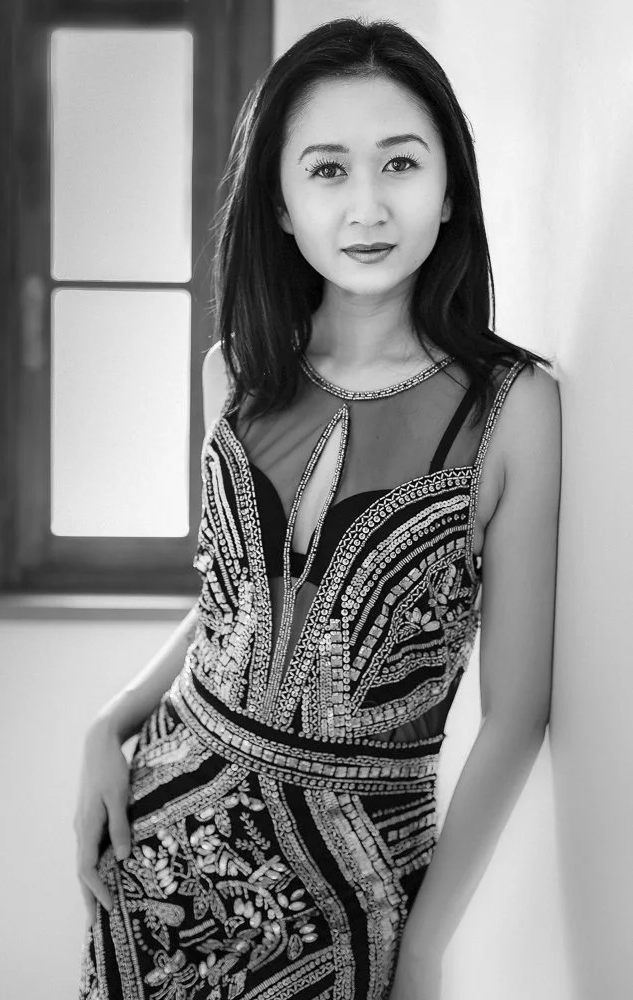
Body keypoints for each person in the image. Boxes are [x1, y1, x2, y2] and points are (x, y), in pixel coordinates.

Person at [75, 17, 561, 1000]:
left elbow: (518, 715)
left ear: (449, 186)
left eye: (400, 163)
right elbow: (235, 603)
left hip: (362, 890)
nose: (368, 204)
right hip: (159, 848)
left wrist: (424, 947)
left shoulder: (515, 409)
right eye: (329, 170)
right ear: (284, 204)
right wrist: (105, 725)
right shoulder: (236, 374)